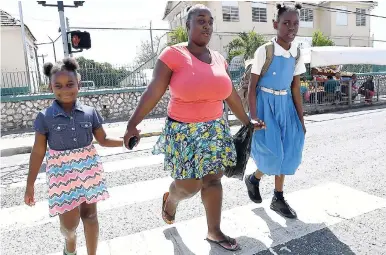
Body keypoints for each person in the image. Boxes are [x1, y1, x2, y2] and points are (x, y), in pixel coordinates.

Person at [123, 4, 264, 251]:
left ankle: (214, 231)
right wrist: (133, 123)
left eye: (210, 21)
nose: (207, 25)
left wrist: (246, 121)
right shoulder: (173, 55)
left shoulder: (219, 59)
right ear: (187, 26)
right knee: (189, 186)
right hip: (183, 131)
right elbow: (154, 90)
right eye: (200, 20)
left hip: (215, 129)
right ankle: (172, 200)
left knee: (213, 180)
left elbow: (229, 93)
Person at [24, 58, 123, 255]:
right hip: (62, 175)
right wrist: (30, 184)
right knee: (69, 227)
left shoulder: (89, 112)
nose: (65, 90)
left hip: (88, 169)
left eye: (70, 84)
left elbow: (103, 139)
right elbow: (38, 152)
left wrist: (126, 141)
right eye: (58, 86)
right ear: (51, 87)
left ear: (78, 83)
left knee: (90, 216)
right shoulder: (45, 117)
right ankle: (70, 244)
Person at [245, 3, 306, 219]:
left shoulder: (297, 52)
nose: (291, 28)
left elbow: (296, 87)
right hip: (265, 104)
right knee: (273, 152)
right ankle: (254, 179)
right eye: (286, 23)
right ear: (275, 24)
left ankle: (277, 197)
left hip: (286, 105)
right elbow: (252, 88)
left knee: (288, 151)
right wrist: (253, 117)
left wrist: (300, 119)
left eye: (295, 23)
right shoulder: (265, 51)